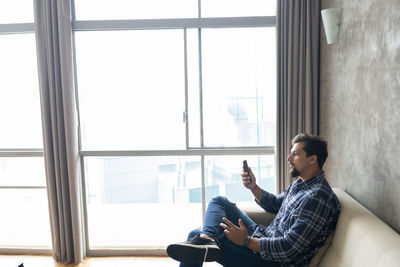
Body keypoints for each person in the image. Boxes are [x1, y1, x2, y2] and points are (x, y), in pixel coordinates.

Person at [167, 133, 340, 267]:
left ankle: (207, 239)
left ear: (312, 159)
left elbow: (289, 249)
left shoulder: (318, 198)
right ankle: (208, 239)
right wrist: (253, 187)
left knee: (194, 235)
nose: (288, 158)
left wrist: (246, 241)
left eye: (295, 154)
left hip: (272, 262)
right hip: (264, 236)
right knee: (219, 201)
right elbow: (274, 204)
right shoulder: (301, 185)